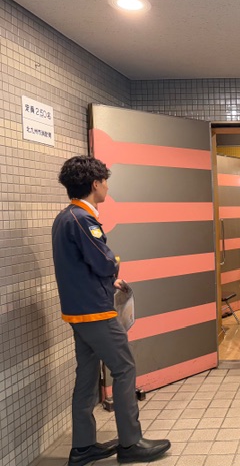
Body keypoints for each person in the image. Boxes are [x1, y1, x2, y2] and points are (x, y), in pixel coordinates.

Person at [52, 156, 171, 465]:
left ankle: (83, 447)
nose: (107, 187)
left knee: (86, 377)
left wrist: (108, 278)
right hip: (96, 311)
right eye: (105, 181)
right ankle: (131, 443)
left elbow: (80, 265)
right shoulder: (82, 219)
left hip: (78, 312)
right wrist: (114, 265)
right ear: (95, 184)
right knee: (124, 368)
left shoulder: (65, 217)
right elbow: (104, 261)